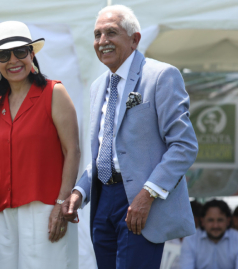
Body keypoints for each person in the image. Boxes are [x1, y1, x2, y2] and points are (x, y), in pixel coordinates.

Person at [62, 5, 199, 269]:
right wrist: (80, 191)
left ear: (134, 39)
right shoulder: (98, 85)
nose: (102, 42)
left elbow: (184, 146)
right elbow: (106, 153)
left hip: (141, 204)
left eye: (111, 33)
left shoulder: (161, 75)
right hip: (102, 202)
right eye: (97, 34)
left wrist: (147, 195)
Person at [0, 21, 80, 269]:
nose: (13, 60)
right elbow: (0, 167)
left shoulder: (54, 93)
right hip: (5, 217)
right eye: (3, 55)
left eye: (20, 52)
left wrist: (60, 206)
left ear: (31, 54)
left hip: (46, 209)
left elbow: (72, 151)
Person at [179, 199, 238, 268]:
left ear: (228, 221)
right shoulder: (190, 240)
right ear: (202, 221)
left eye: (220, 220)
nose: (215, 225)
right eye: (210, 220)